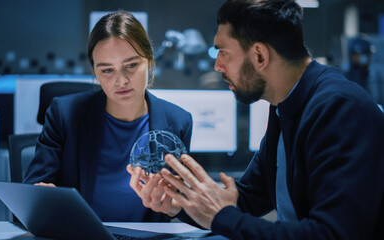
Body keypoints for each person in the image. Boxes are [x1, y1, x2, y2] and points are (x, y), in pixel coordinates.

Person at [128, 0, 384, 239]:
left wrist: (221, 217)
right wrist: (178, 204)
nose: (217, 65)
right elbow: (246, 199)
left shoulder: (339, 109)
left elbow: (330, 234)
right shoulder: (285, 105)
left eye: (223, 52)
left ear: (260, 56)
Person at [23, 11, 193, 222]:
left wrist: (175, 208)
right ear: (95, 71)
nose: (121, 81)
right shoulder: (65, 114)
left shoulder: (178, 121)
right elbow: (29, 195)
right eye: (107, 70)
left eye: (131, 65)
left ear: (149, 61)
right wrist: (40, 195)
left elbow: (185, 205)